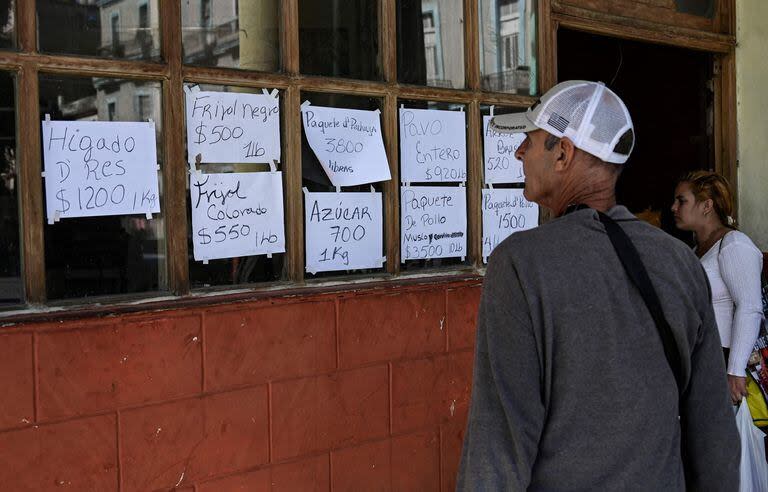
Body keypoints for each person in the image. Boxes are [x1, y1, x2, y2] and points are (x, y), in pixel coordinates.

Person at [457, 80, 738, 490]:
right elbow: (713, 434)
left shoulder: (520, 264)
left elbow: (498, 443)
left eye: (529, 141)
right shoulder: (680, 262)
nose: (519, 152)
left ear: (563, 154)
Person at [671, 171, 764, 404]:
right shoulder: (697, 251)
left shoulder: (733, 245)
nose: (673, 207)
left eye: (681, 201)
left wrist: (735, 370)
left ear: (706, 205)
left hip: (723, 360)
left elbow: (750, 306)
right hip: (702, 358)